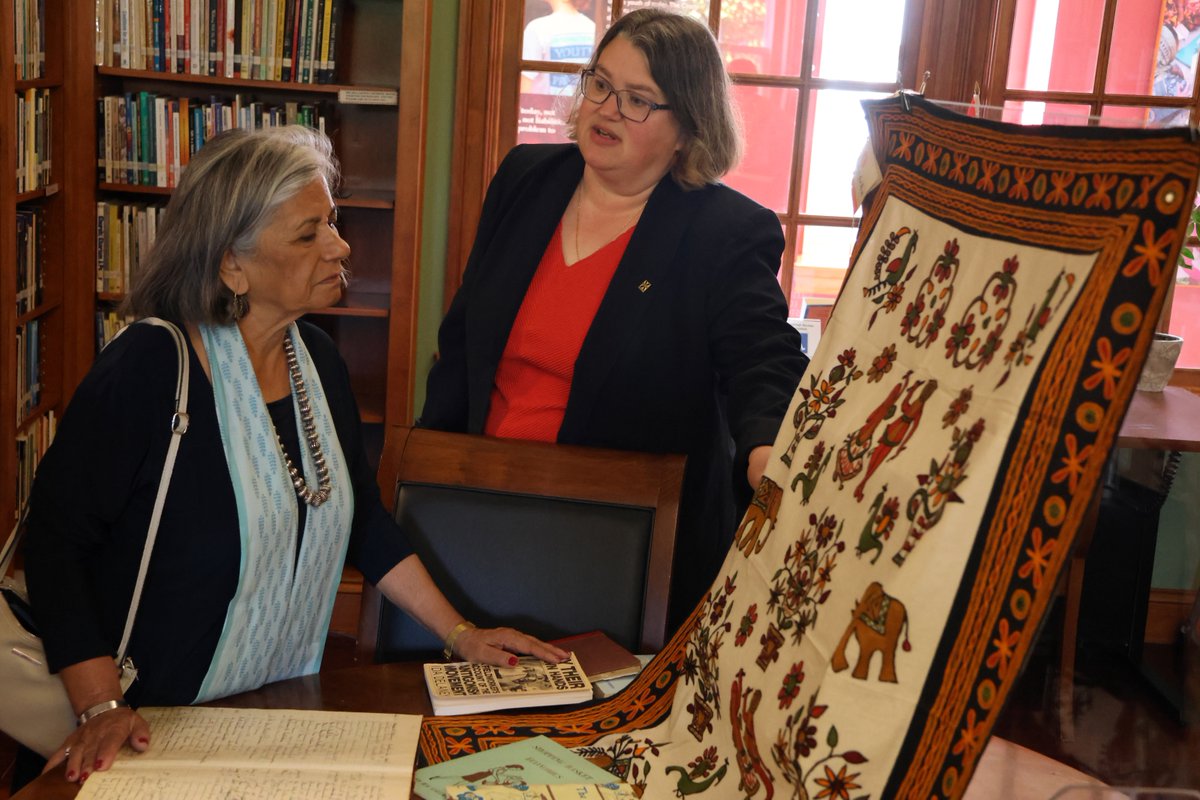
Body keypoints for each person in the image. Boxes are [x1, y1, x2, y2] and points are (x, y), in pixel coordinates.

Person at [19, 125, 566, 789]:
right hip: (148, 729)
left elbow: (360, 516)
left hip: (268, 714)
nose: (338, 246)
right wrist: (100, 703)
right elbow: (54, 542)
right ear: (232, 265)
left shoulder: (320, 364)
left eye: (331, 222)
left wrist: (463, 636)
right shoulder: (150, 367)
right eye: (308, 234)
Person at [419, 9, 809, 632]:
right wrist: (425, 474)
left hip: (619, 540)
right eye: (599, 84)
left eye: (637, 101)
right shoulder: (526, 178)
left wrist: (768, 448)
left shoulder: (726, 232)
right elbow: (464, 344)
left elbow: (763, 356)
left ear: (687, 128)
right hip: (476, 506)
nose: (605, 110)